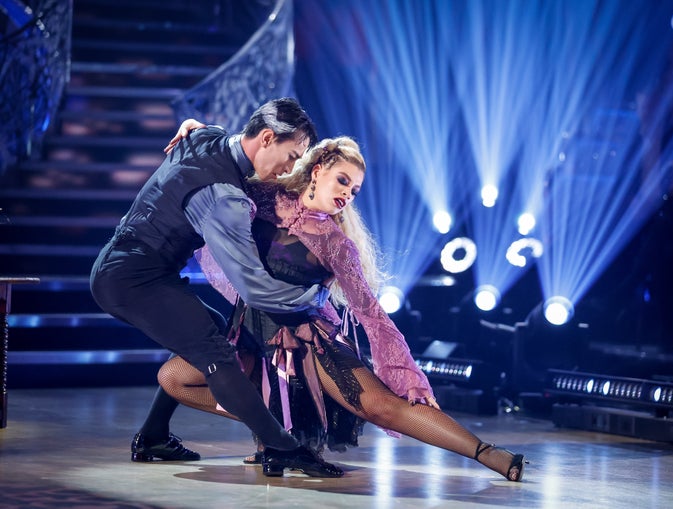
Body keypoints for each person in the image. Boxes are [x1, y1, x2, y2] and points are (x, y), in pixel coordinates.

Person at [156, 134, 527, 481]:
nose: (349, 193)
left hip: (306, 344)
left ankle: (488, 453)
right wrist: (200, 131)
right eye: (343, 181)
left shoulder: (336, 244)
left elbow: (371, 313)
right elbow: (237, 160)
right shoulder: (265, 200)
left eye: (355, 189)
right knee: (173, 378)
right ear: (317, 171)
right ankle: (272, 428)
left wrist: (407, 374)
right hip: (251, 336)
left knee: (382, 406)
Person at [90, 98, 342, 477]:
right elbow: (255, 287)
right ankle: (283, 447)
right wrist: (316, 298)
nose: (291, 168)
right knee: (214, 351)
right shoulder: (225, 197)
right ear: (267, 137)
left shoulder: (207, 137)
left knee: (214, 326)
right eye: (291, 157)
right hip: (130, 278)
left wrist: (193, 123)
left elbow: (203, 130)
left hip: (133, 266)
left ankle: (153, 435)